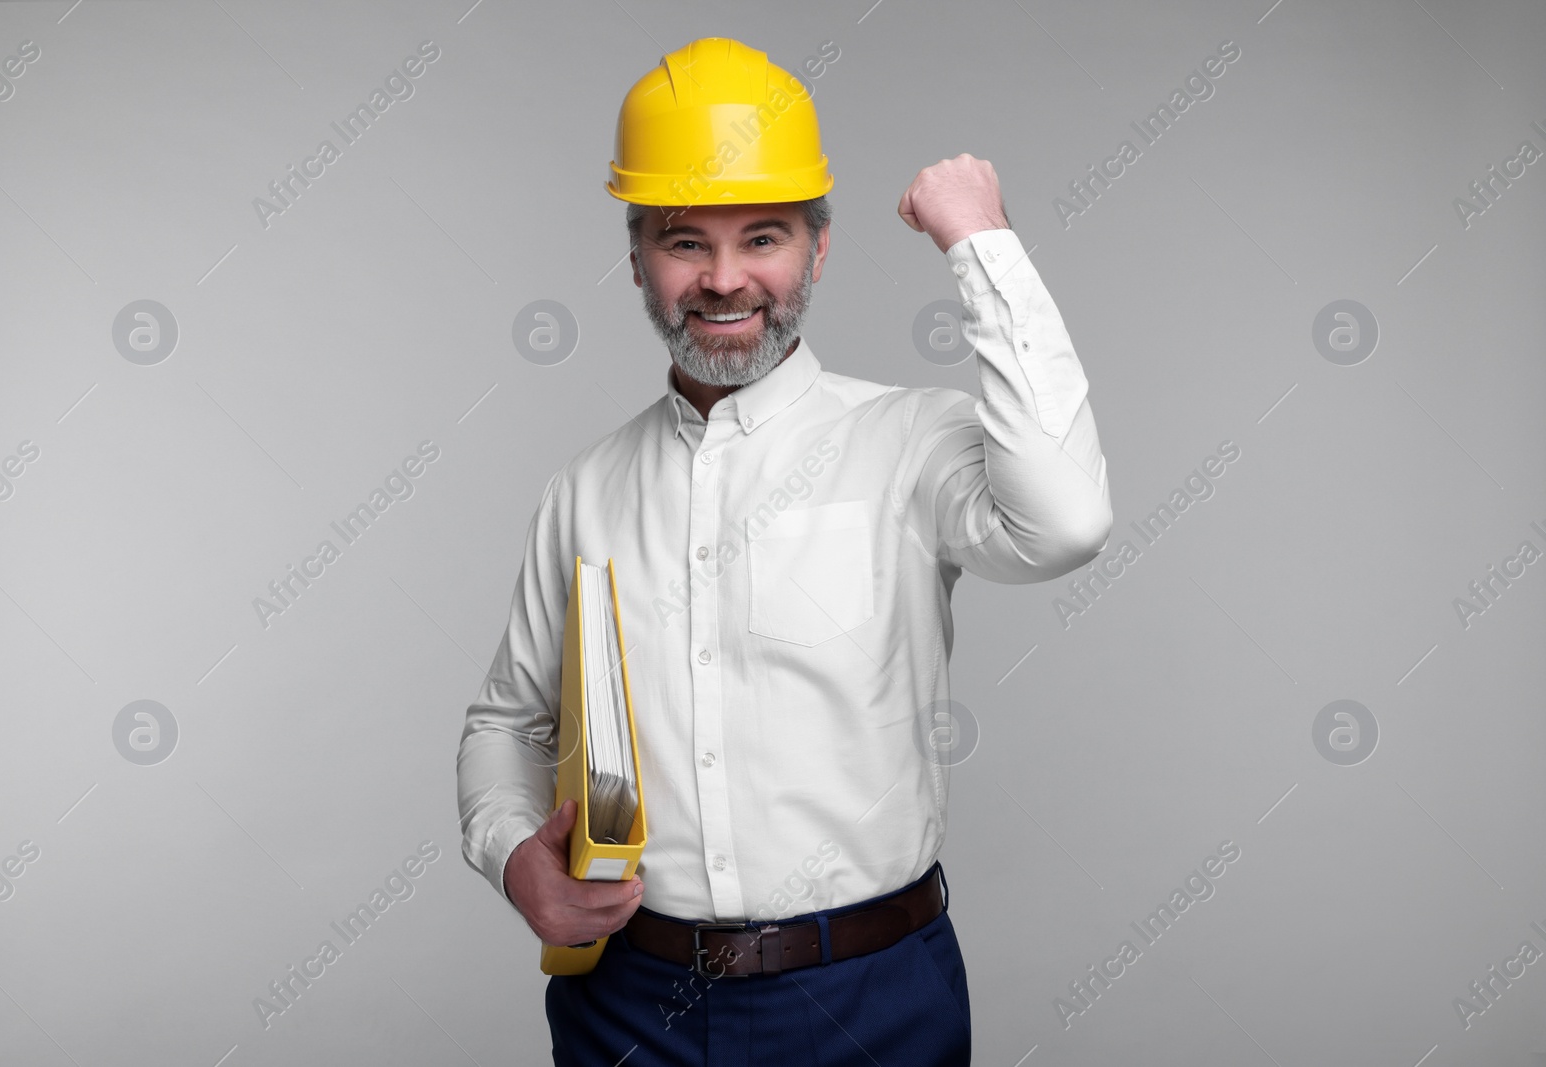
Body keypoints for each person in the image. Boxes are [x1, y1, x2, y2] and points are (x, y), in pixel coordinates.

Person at [457, 36, 1112, 1065]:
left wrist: (979, 241)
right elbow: (507, 721)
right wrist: (510, 860)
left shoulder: (910, 442)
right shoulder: (581, 490)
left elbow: (1065, 521)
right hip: (629, 1005)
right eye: (684, 242)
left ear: (817, 248)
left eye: (761, 237)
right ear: (636, 259)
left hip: (873, 996)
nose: (724, 281)